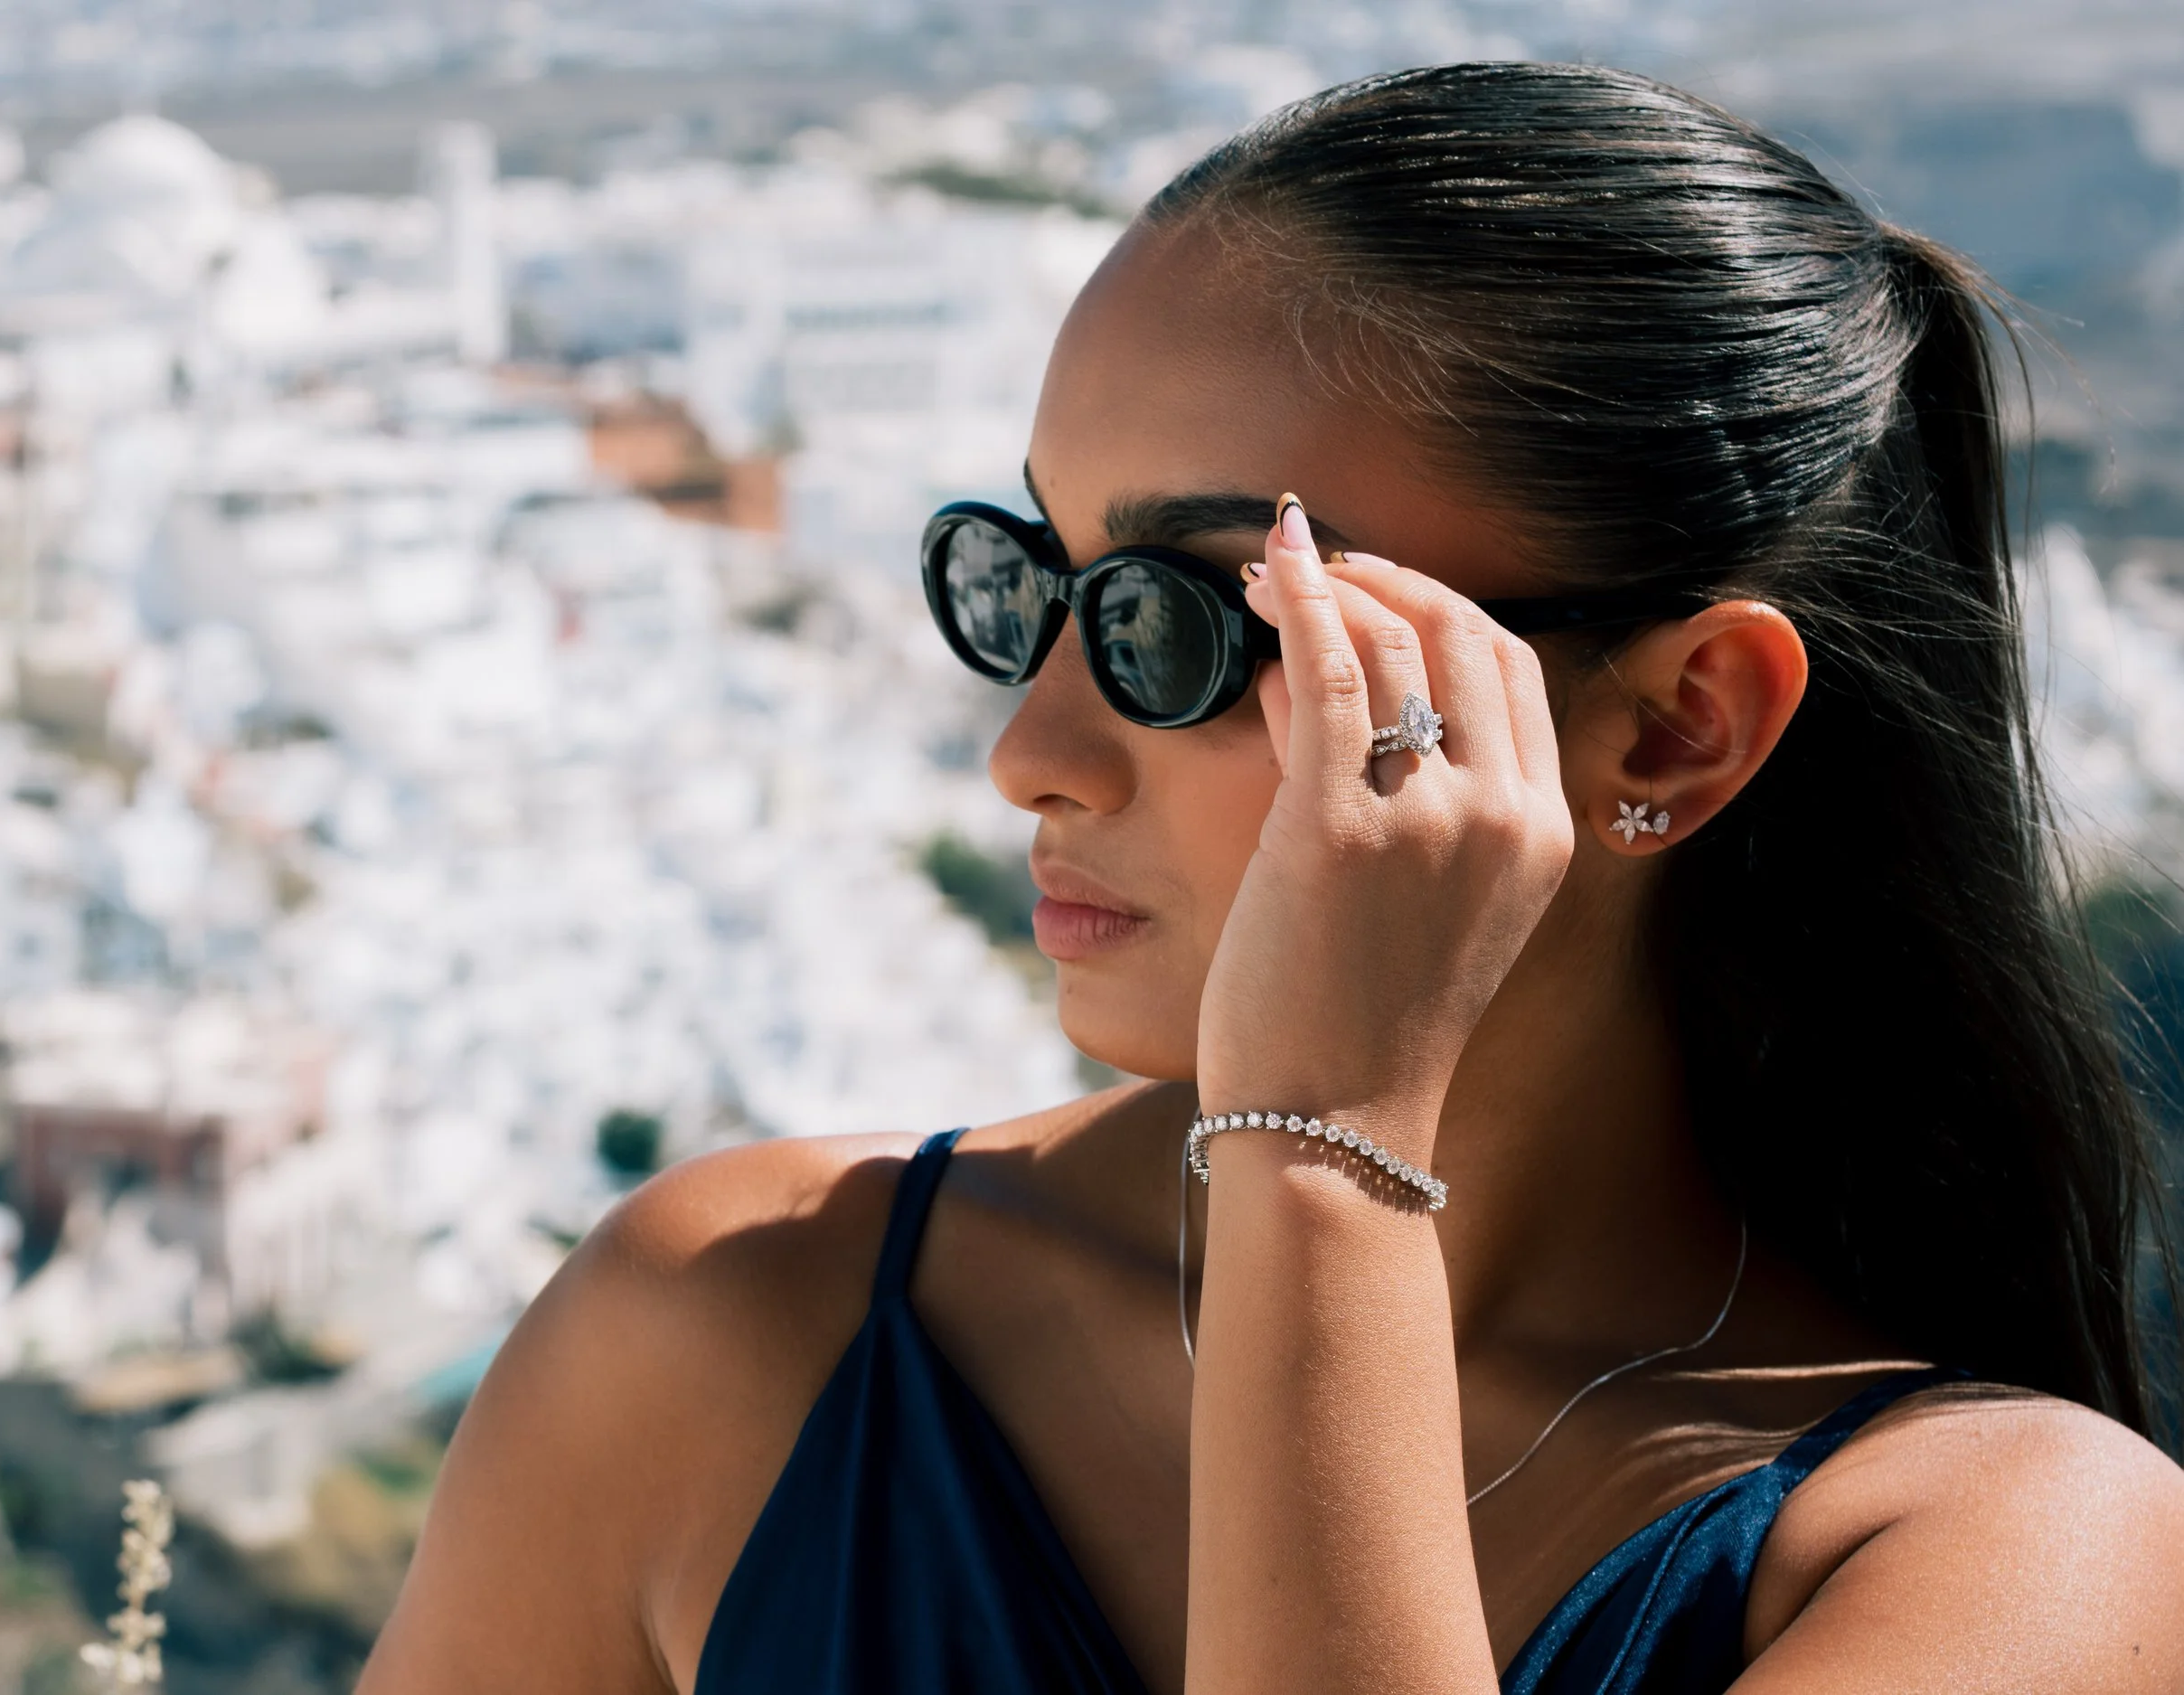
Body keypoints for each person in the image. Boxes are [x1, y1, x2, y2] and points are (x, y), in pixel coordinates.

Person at [359, 63, 2184, 1694]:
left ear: (1676, 729)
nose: (1031, 752)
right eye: (1026, 583)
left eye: (1191, 623)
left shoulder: (2014, 1566)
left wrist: (1321, 1151)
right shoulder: (726, 1330)